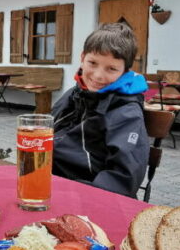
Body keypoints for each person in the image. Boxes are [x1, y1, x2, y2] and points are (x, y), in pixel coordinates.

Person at [51, 22, 150, 197]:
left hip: (87, 195)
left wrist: (74, 194)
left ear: (125, 71)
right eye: (92, 63)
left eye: (111, 68)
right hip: (51, 182)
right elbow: (46, 131)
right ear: (82, 57)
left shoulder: (126, 112)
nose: (98, 75)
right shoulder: (76, 93)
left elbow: (123, 177)